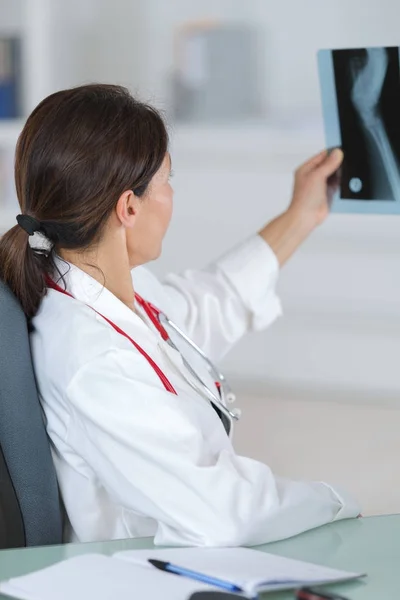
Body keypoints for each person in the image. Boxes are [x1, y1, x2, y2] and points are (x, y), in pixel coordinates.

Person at [0, 84, 360, 546]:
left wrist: (302, 214)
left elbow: (212, 301)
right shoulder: (94, 361)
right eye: (168, 180)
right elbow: (226, 515)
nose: (172, 194)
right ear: (129, 207)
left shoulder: (93, 287)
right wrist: (341, 502)